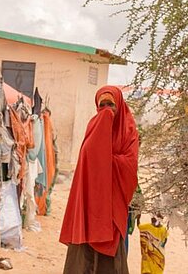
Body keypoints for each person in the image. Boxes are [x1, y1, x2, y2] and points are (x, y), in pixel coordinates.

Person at [60, 86, 141, 274]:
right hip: (89, 204)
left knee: (110, 262)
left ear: (119, 105)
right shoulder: (93, 127)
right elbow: (85, 162)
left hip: (112, 207)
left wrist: (104, 158)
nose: (106, 110)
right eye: (102, 105)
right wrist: (98, 154)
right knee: (82, 258)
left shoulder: (128, 132)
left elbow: (130, 166)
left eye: (110, 105)